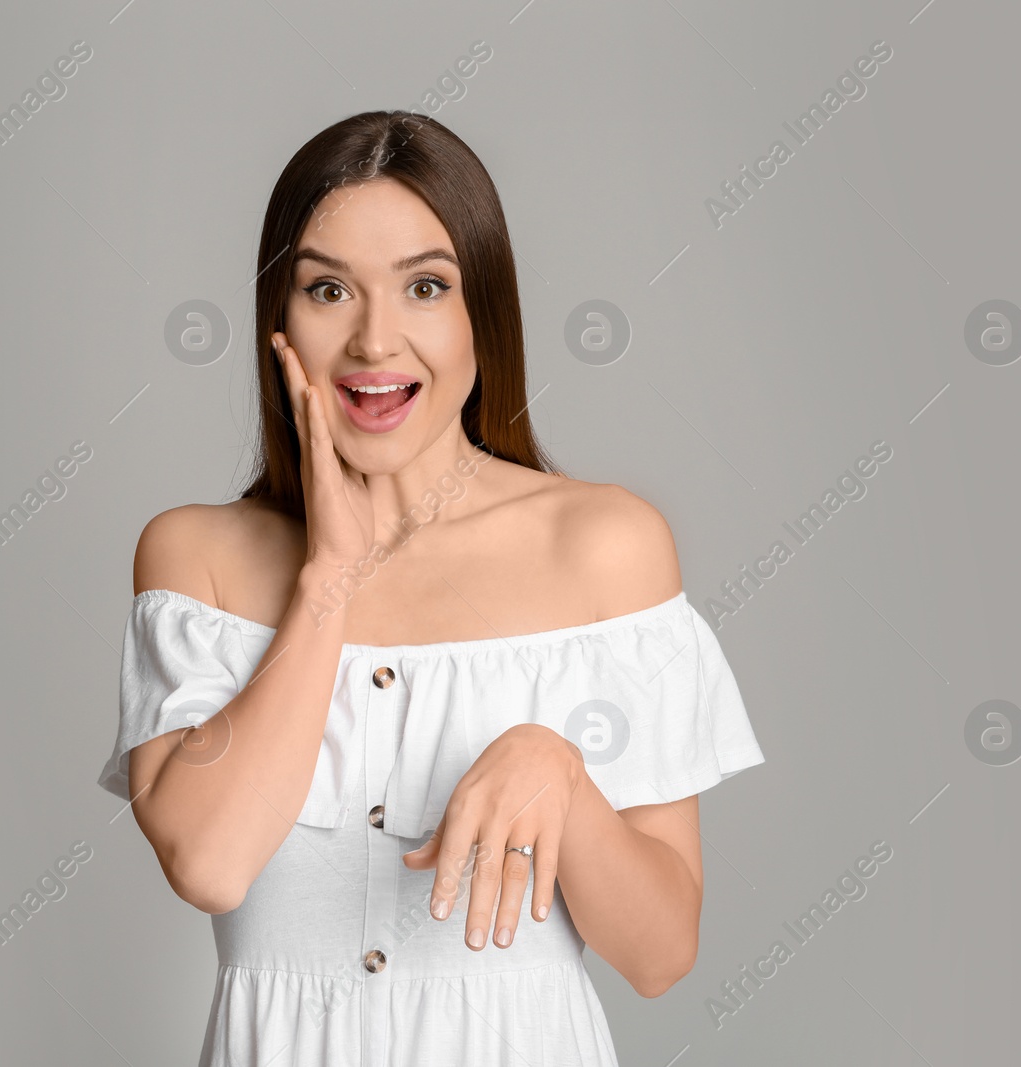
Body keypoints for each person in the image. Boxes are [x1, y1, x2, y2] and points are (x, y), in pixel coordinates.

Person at [97, 109, 766, 1066]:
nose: (376, 340)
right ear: (278, 323)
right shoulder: (195, 557)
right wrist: (329, 577)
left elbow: (661, 953)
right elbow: (209, 861)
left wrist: (560, 775)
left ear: (481, 314)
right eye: (328, 288)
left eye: (425, 286)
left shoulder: (604, 545)